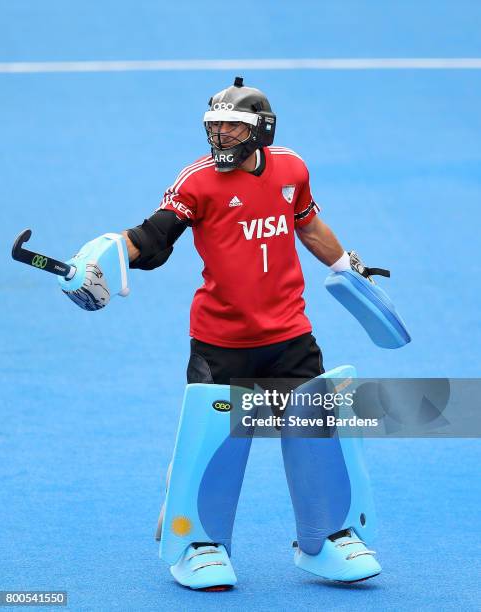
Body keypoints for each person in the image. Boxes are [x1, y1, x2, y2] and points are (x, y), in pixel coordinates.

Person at [60, 77, 382, 590]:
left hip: (290, 336)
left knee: (315, 431)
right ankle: (197, 544)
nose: (222, 136)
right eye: (215, 126)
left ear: (262, 130)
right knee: (215, 442)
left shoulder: (291, 169)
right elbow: (153, 234)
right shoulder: (198, 181)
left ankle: (325, 540)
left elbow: (309, 224)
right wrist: (101, 257)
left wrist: (348, 265)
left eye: (233, 126)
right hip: (220, 343)